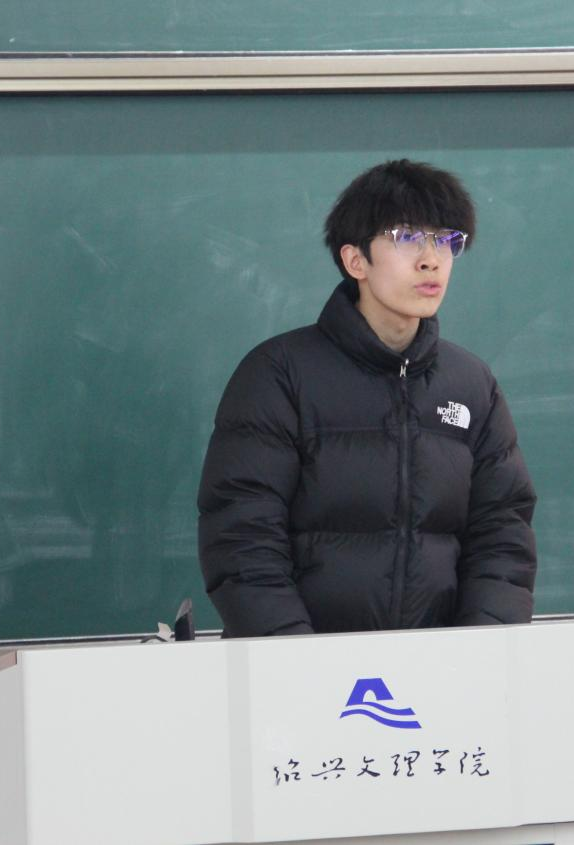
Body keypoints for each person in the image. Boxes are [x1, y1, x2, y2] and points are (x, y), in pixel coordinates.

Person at [197, 159, 537, 637]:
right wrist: (294, 658)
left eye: (446, 240)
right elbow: (242, 536)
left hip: (442, 669)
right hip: (303, 667)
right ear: (355, 260)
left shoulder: (471, 385)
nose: (431, 258)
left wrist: (476, 653)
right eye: (407, 237)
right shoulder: (279, 374)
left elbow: (502, 535)